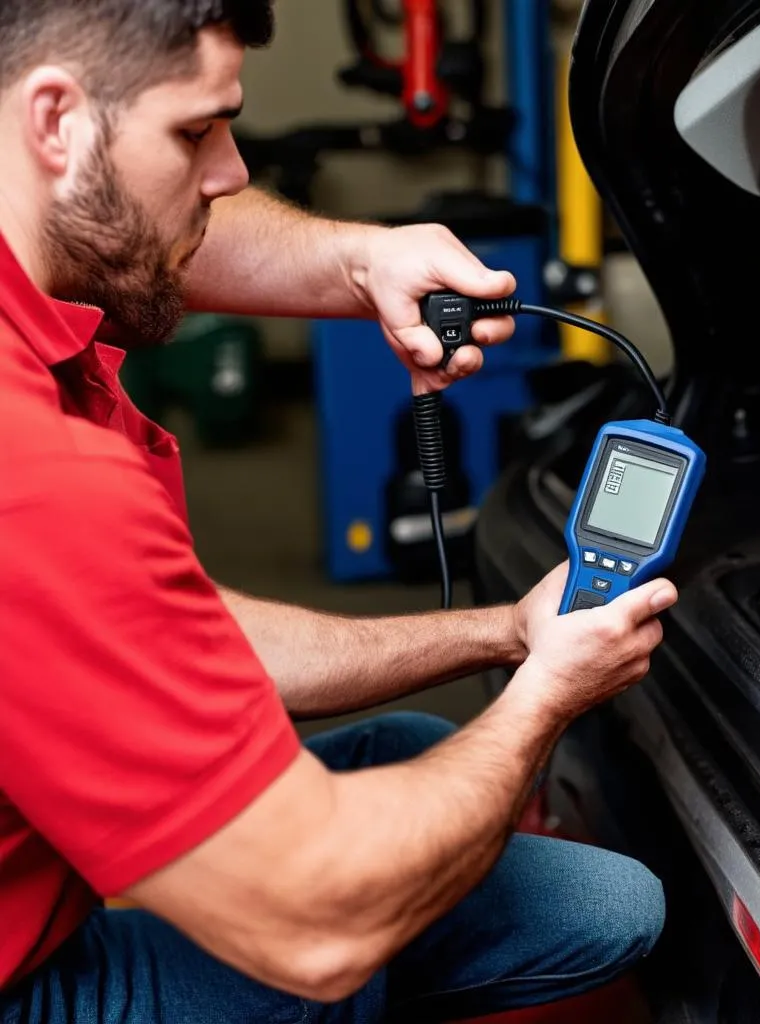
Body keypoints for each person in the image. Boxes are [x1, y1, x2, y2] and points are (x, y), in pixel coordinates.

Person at [0, 3, 679, 1022]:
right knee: (382, 931)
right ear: (53, 120)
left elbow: (173, 631)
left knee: (419, 756)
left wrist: (501, 631)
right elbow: (318, 929)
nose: (231, 171)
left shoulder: (38, 303)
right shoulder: (38, 472)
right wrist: (544, 695)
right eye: (196, 132)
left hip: (36, 869)